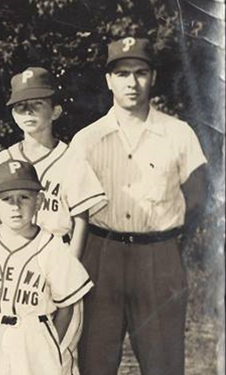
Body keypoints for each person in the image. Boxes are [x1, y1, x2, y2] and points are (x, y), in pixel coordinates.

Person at [72, 37, 208, 375]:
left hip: (158, 256)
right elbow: (70, 205)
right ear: (108, 80)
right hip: (101, 253)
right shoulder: (87, 139)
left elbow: (199, 199)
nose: (132, 83)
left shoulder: (178, 134)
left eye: (140, 72)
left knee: (163, 362)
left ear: (153, 77)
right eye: (122, 73)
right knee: (95, 361)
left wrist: (170, 243)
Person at [0, 67, 107, 375]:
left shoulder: (71, 160)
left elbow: (81, 221)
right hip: (10, 269)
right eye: (21, 105)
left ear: (56, 110)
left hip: (56, 259)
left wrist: (67, 271)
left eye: (37, 103)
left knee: (55, 357)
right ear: (12, 114)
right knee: (4, 356)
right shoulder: (3, 159)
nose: (28, 111)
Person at [0, 159, 93, 375]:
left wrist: (50, 344)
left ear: (39, 201)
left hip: (33, 332)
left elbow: (67, 306)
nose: (15, 207)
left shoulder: (52, 246)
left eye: (24, 197)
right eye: (6, 199)